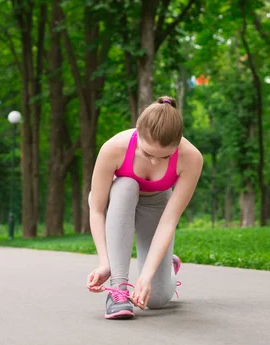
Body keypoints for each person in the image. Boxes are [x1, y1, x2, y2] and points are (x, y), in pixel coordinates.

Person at [86, 96, 203, 319]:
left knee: (157, 300)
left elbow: (169, 221)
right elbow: (97, 209)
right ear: (137, 130)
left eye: (165, 156)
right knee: (126, 184)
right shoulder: (114, 148)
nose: (154, 162)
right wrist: (104, 263)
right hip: (118, 203)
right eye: (148, 153)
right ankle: (118, 290)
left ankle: (167, 266)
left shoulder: (192, 158)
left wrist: (146, 277)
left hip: (156, 206)